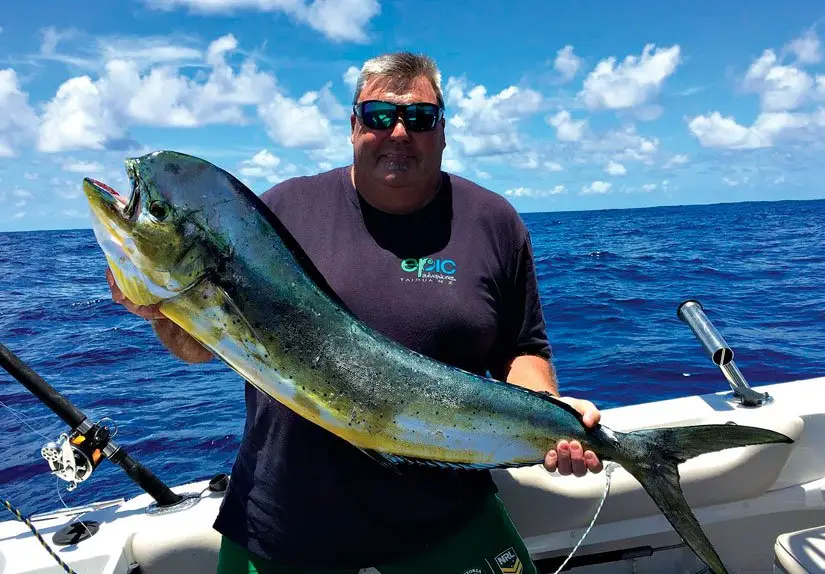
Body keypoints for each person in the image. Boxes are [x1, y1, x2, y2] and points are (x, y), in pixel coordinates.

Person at [106, 51, 604, 574]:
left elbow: (520, 349)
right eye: (378, 116)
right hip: (284, 527)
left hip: (446, 521)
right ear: (353, 125)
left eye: (419, 118)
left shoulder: (493, 221)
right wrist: (160, 311)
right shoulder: (281, 212)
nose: (398, 133)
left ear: (442, 130)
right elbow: (199, 346)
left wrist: (548, 413)